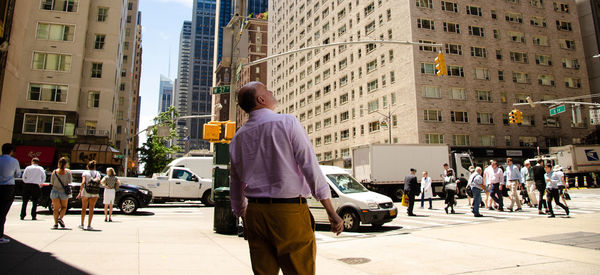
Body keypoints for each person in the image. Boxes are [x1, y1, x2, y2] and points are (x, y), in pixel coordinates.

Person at [229, 82, 343, 274]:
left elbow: (235, 181)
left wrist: (243, 216)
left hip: (255, 214)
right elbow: (309, 165)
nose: (271, 92)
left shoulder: (238, 136)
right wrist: (330, 210)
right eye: (266, 90)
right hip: (288, 213)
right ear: (261, 99)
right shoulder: (287, 122)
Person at [0, 143, 21, 243]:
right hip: (8, 187)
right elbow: (18, 174)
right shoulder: (14, 161)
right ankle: (0, 235)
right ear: (11, 151)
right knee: (3, 212)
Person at [78, 160, 101, 230]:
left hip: (86, 191)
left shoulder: (85, 172)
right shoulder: (98, 173)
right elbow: (99, 183)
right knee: (91, 209)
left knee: (84, 208)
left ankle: (82, 224)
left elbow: (83, 182)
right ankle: (89, 225)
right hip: (95, 192)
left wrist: (80, 191)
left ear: (88, 166)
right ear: (94, 166)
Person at [50, 157, 71, 229]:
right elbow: (70, 182)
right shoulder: (68, 172)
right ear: (66, 164)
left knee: (55, 209)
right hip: (63, 192)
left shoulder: (54, 172)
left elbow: (52, 183)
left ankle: (55, 224)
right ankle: (60, 218)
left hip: (55, 191)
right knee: (64, 207)